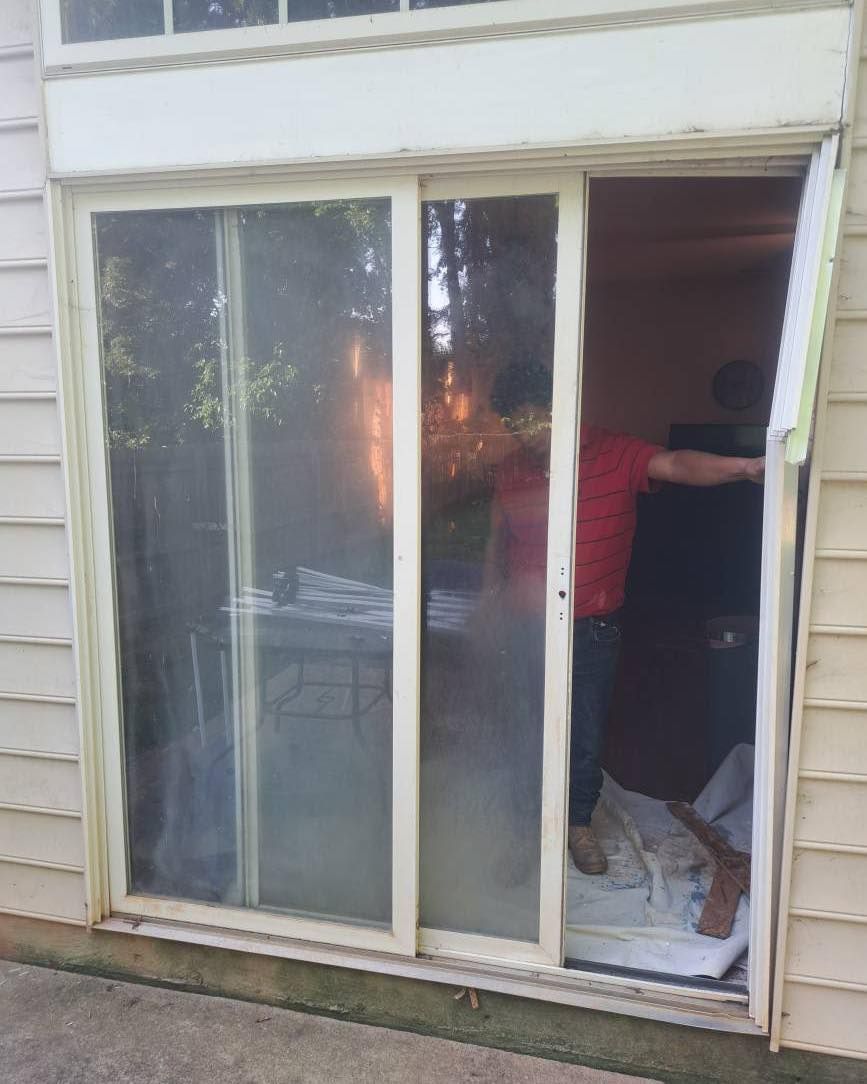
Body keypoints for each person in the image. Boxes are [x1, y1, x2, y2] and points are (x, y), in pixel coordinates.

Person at [484, 362, 765, 876]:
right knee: (526, 726)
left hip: (591, 626)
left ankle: (576, 825)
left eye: (533, 420)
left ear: (558, 408)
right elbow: (498, 535)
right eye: (515, 424)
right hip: (529, 627)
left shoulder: (614, 453)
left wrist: (744, 469)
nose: (527, 435)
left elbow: (677, 463)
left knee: (584, 730)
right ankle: (525, 825)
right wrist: (489, 598)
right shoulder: (513, 470)